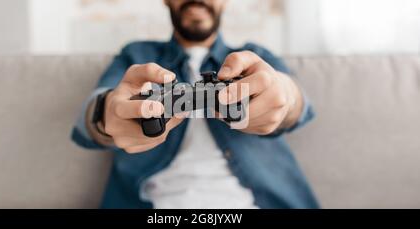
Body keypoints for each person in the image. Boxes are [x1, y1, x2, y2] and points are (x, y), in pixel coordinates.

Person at [71, 0, 319, 209]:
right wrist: (107, 113)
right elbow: (91, 115)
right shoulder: (136, 56)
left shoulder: (255, 57)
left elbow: (300, 106)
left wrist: (286, 95)